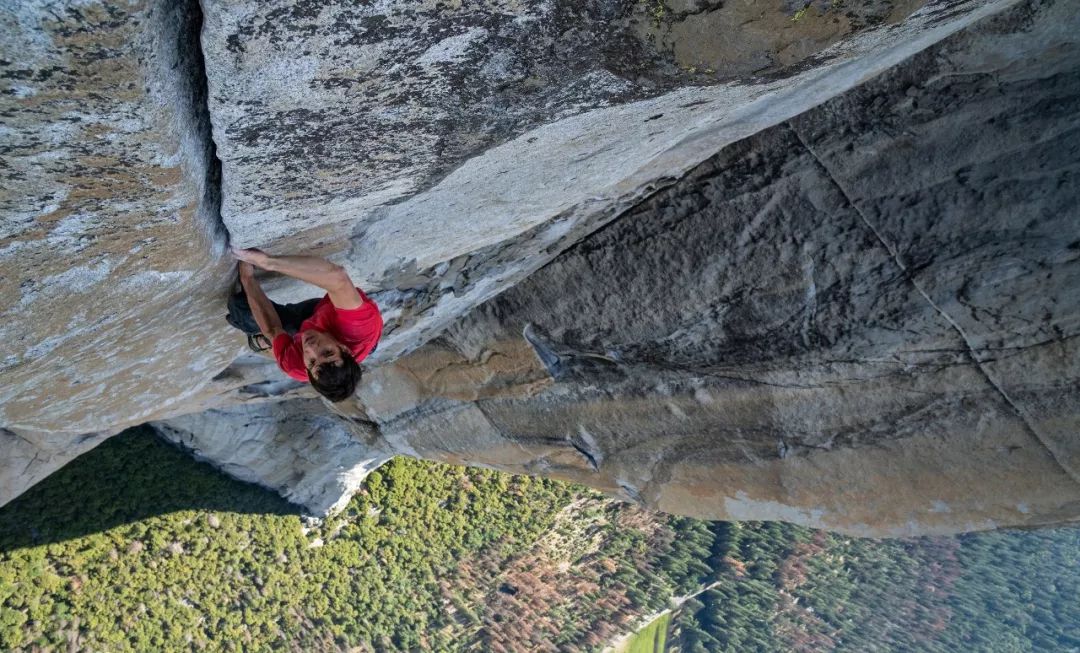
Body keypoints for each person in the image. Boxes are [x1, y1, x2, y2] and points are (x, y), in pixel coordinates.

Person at [225, 247, 382, 402]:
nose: (311, 348)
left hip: (316, 326)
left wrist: (247, 278)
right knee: (332, 299)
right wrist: (268, 262)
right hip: (324, 315)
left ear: (307, 372)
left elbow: (272, 330)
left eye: (312, 362)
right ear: (344, 348)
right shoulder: (358, 328)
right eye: (327, 352)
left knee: (241, 309)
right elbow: (338, 279)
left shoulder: (296, 366)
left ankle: (267, 344)